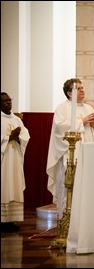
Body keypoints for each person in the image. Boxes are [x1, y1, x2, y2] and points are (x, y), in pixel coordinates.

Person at [46, 78, 94, 219]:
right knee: (70, 186)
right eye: (78, 88)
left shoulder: (88, 108)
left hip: (88, 151)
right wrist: (81, 122)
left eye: (83, 88)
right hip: (70, 153)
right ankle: (67, 220)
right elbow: (60, 128)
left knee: (87, 187)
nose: (82, 90)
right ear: (69, 93)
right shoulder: (62, 108)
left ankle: (85, 219)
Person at [1, 92, 30, 232]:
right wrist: (8, 138)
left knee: (14, 185)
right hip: (3, 159)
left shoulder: (17, 120)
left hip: (15, 158)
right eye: (5, 101)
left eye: (9, 100)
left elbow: (26, 135)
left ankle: (11, 219)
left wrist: (18, 138)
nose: (8, 103)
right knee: (4, 186)